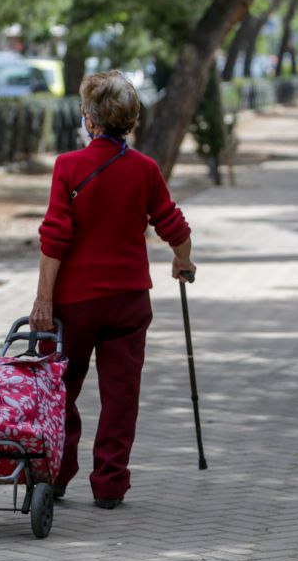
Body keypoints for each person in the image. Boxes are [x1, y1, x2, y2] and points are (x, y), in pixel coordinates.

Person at [29, 70, 195, 509]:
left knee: (59, 388)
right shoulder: (145, 169)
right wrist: (183, 260)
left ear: (90, 120)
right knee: (121, 395)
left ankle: (57, 473)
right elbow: (172, 224)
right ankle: (110, 485)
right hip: (128, 300)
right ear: (130, 120)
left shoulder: (68, 167)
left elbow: (55, 237)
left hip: (73, 304)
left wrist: (43, 298)